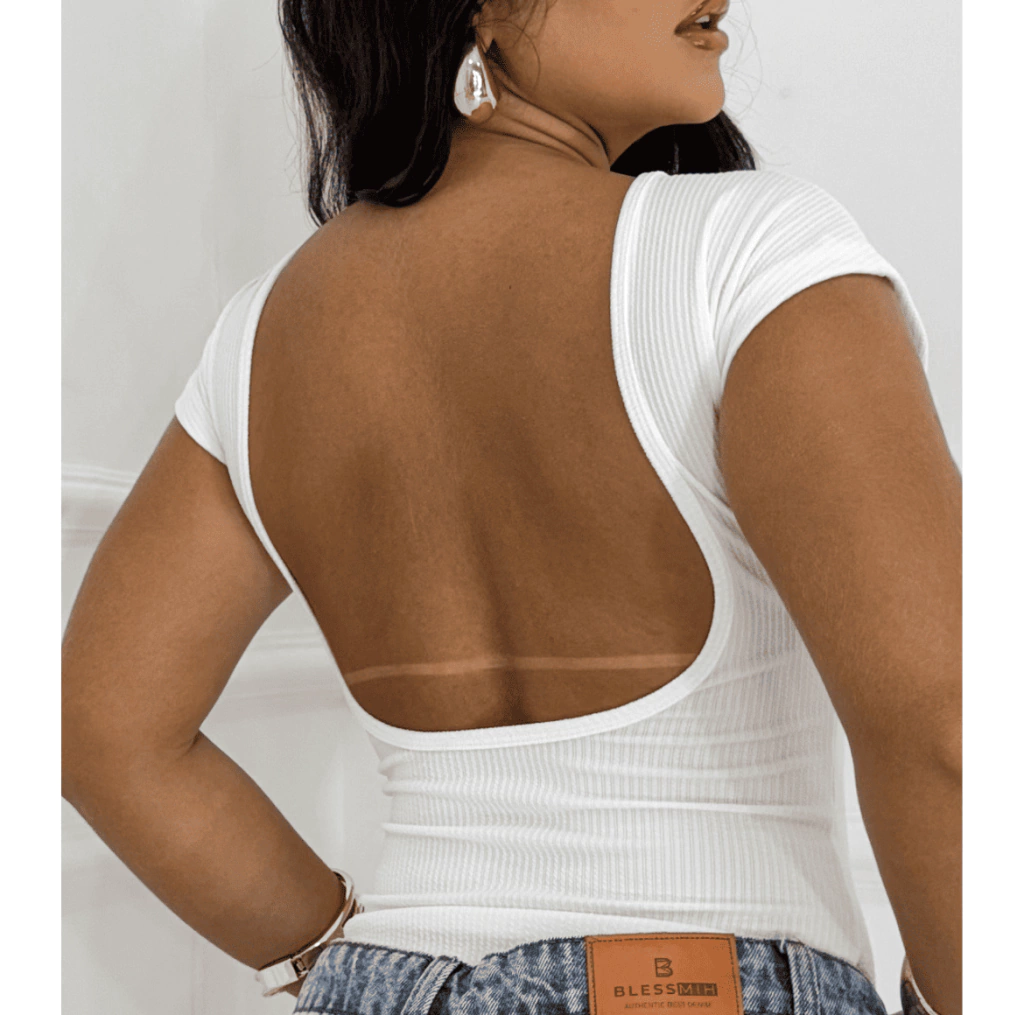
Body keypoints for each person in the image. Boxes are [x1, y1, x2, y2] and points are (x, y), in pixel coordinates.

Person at [61, 0, 962, 1012]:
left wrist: (337, 956)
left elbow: (103, 731)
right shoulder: (746, 252)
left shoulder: (261, 332)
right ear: (480, 11)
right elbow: (945, 731)